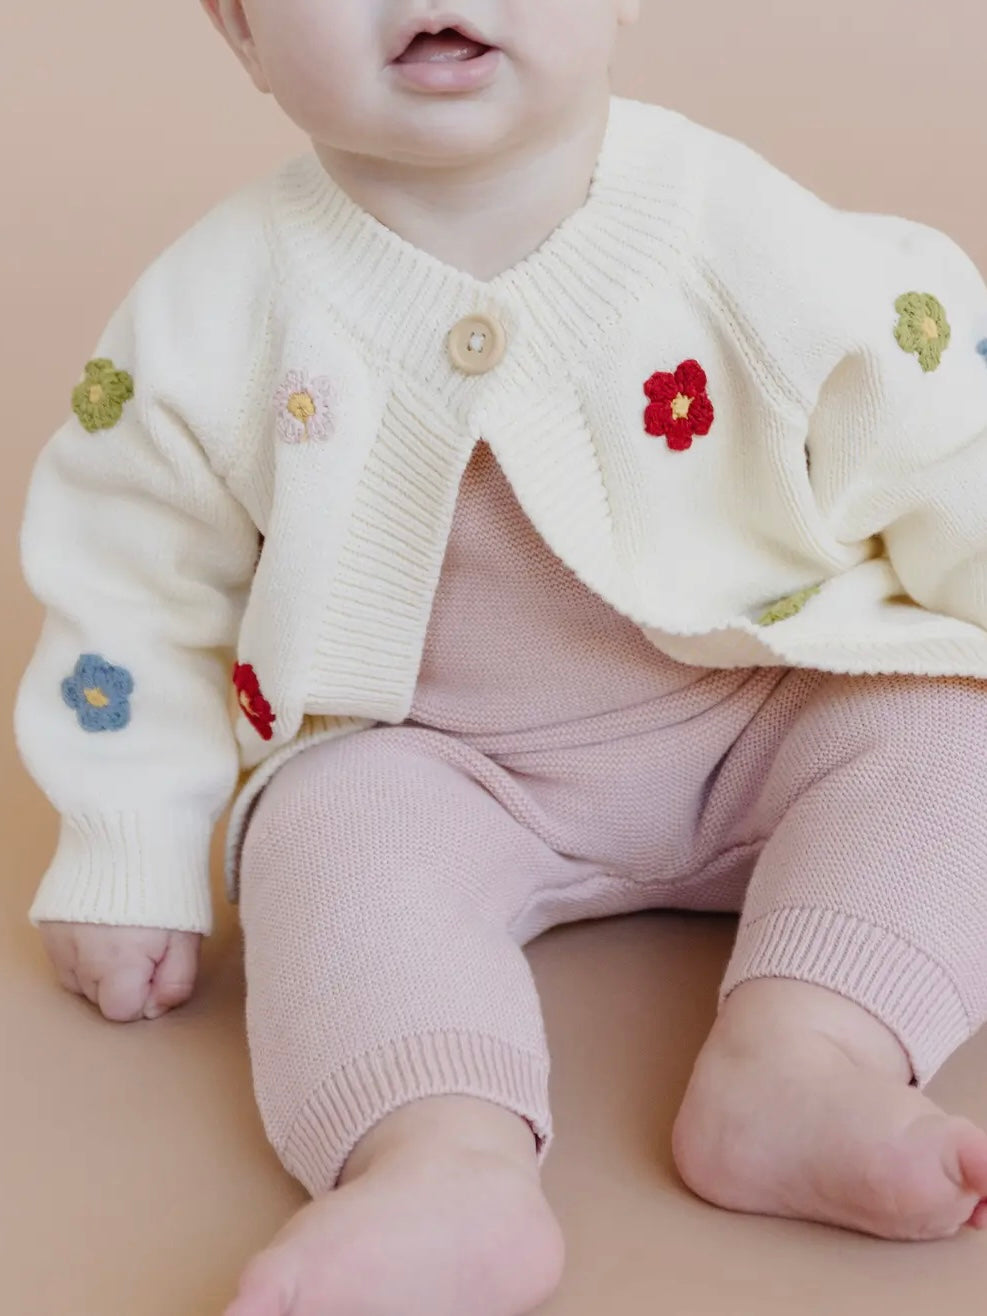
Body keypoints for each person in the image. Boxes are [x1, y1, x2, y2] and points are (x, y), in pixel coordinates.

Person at [15, 2, 987, 1313]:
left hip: (773, 711)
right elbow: (130, 582)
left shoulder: (744, 233)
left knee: (953, 730)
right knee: (320, 832)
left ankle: (808, 1057)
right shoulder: (210, 310)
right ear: (238, 26)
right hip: (436, 765)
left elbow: (945, 440)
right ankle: (439, 1165)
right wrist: (126, 844)